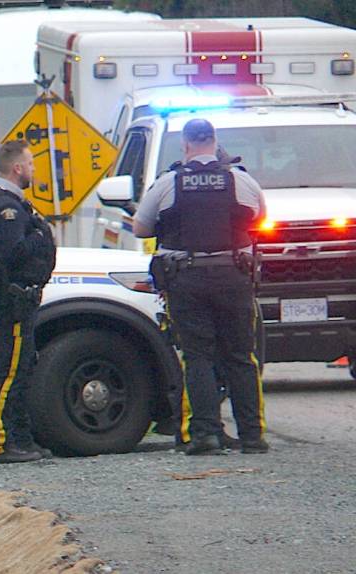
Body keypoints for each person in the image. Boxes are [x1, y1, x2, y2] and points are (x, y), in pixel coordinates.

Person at [133, 118, 269, 455]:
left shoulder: (169, 183)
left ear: (186, 145)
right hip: (233, 277)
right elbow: (260, 218)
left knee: (198, 357)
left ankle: (205, 434)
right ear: (215, 141)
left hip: (187, 279)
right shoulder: (241, 180)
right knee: (241, 357)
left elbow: (140, 228)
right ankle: (252, 436)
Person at [0, 139, 57, 463]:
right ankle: (4, 441)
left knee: (18, 367)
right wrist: (40, 235)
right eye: (31, 164)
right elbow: (13, 252)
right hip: (10, 299)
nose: (34, 170)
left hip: (9, 297)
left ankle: (21, 438)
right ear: (18, 168)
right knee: (9, 370)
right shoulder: (4, 207)